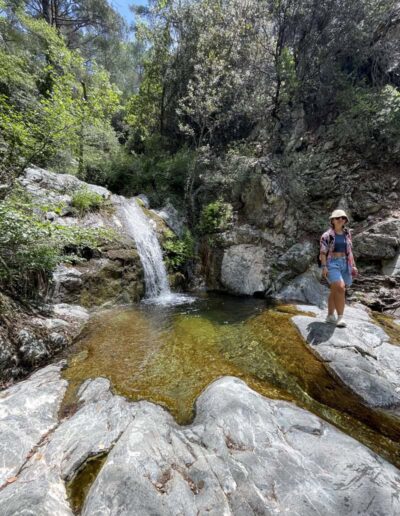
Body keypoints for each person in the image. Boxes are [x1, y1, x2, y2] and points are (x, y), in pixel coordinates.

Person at [319, 209, 358, 327]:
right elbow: (322, 253)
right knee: (340, 288)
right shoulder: (327, 235)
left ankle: (330, 316)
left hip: (345, 263)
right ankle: (340, 317)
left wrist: (353, 265)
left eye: (343, 218)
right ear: (332, 221)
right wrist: (324, 267)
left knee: (335, 290)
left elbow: (350, 251)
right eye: (338, 218)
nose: (341, 219)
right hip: (332, 263)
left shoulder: (347, 234)